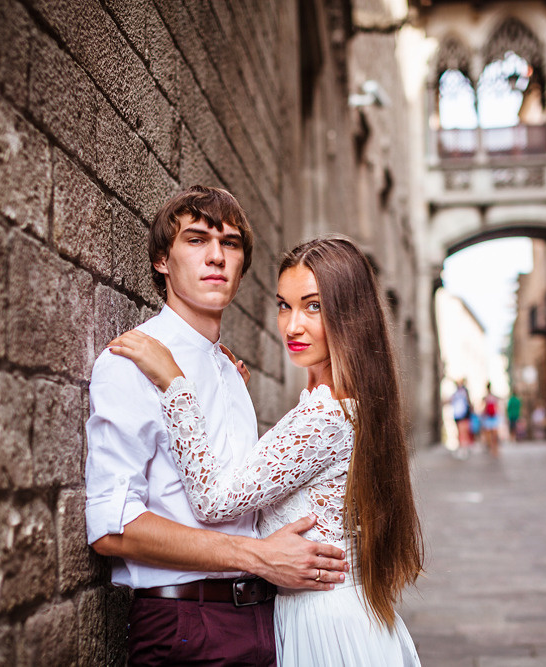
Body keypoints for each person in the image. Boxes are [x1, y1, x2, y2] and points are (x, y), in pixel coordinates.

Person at [109, 237, 424, 666]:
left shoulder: (325, 416)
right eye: (284, 305)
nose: (293, 326)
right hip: (330, 613)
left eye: (313, 306)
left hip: (323, 624)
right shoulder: (340, 403)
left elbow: (214, 500)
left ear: (350, 314)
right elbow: (270, 480)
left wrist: (175, 385)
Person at [85, 186, 348, 666]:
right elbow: (111, 527)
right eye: (196, 239)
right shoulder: (133, 359)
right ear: (163, 259)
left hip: (264, 620)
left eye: (230, 243)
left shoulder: (229, 370)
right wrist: (257, 556)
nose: (215, 256)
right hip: (187, 624)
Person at [450, 379, 474, 456]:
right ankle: (462, 448)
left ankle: (464, 448)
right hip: (458, 415)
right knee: (460, 432)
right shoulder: (456, 393)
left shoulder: (464, 392)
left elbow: (468, 403)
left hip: (463, 415)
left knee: (463, 432)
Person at [481, 382, 501, 457]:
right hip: (494, 416)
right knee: (494, 434)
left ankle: (491, 448)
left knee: (489, 434)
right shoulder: (494, 397)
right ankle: (495, 448)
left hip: (488, 417)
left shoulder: (486, 397)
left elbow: (484, 408)